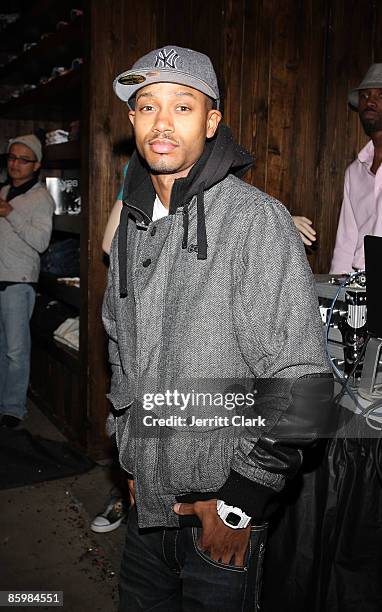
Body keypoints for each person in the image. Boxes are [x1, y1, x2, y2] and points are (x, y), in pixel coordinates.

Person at [103, 45, 333, 611]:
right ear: (131, 119)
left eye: (183, 107)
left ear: (211, 122)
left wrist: (240, 501)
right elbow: (121, 351)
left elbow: (305, 388)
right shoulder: (132, 224)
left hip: (220, 517)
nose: (161, 122)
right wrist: (129, 455)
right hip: (146, 509)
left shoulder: (255, 222)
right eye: (146, 105)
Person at [103, 166, 316, 254]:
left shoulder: (213, 166)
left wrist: (270, 223)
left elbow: (224, 214)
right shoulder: (141, 168)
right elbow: (110, 244)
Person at [0, 134, 54, 428]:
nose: (15, 164)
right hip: (0, 277)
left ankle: (13, 409)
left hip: (19, 282)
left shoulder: (40, 198)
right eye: (11, 158)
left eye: (23, 159)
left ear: (36, 165)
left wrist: (10, 214)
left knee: (16, 350)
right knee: (1, 348)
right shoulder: (5, 190)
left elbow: (41, 241)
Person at [331, 63, 382, 273]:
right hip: (362, 286)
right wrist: (336, 295)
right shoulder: (354, 171)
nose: (370, 101)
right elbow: (346, 240)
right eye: (365, 96)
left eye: (380, 96)